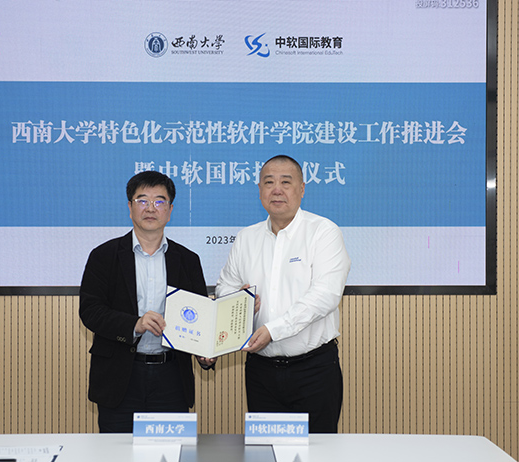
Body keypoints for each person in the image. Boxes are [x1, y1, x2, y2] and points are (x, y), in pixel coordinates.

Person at [216, 155, 351, 433]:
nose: (277, 190)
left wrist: (273, 330)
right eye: (269, 182)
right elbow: (225, 287)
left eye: (286, 182)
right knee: (265, 449)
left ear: (302, 189)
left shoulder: (323, 232)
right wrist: (240, 302)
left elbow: (325, 295)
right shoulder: (246, 238)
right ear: (259, 190)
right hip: (261, 371)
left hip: (314, 369)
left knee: (318, 450)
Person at [79, 171, 215, 433]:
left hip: (172, 378)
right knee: (117, 451)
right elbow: (90, 311)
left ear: (170, 210)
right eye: (142, 200)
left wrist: (205, 352)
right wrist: (135, 324)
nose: (151, 208)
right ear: (130, 207)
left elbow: (200, 316)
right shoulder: (104, 256)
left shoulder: (188, 260)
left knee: (171, 450)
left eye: (159, 201)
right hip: (119, 377)